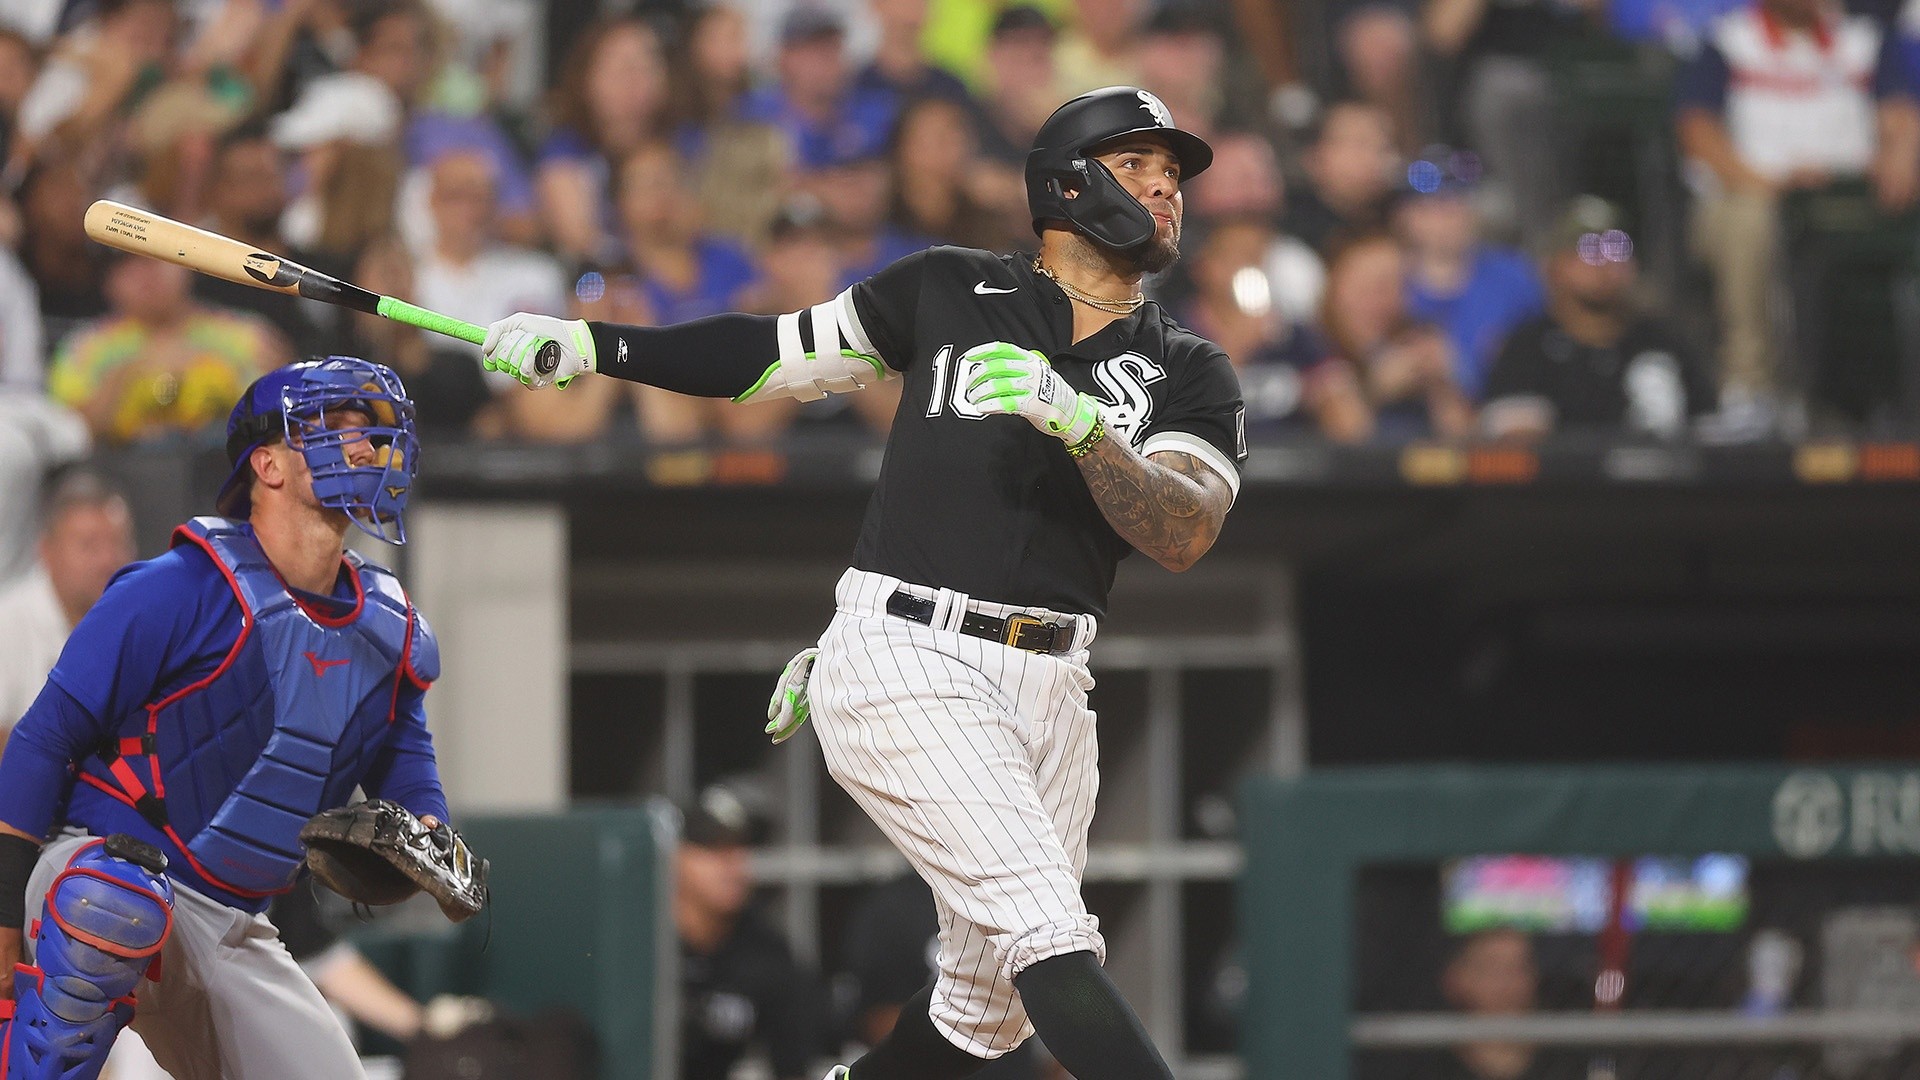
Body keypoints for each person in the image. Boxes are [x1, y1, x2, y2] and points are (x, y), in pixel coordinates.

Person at [481, 84, 1243, 1080]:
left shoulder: (1191, 367)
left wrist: (1085, 427)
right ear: (1065, 184)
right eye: (1136, 166)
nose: (1164, 190)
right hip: (908, 651)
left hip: (1057, 683)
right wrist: (597, 346)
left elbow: (1184, 530)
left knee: (987, 1014)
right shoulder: (950, 286)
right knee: (1052, 938)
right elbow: (774, 359)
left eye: (1173, 175)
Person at [0, 356, 455, 1080]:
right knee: (110, 904)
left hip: (233, 920)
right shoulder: (175, 586)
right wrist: (0, 923)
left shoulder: (392, 629)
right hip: (96, 866)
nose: (365, 447)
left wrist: (431, 828)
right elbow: (40, 743)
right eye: (335, 429)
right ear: (267, 465)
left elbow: (407, 763)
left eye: (370, 432)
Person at [1675, 0, 1920, 435]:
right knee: (1749, 224)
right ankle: (1749, 388)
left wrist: (1902, 149)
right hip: (1750, 194)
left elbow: (1899, 116)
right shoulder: (1729, 41)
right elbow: (1698, 133)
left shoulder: (1862, 40)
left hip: (1849, 200)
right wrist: (1775, 186)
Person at [1482, 197, 1716, 440]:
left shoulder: (1661, 342)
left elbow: (1709, 430)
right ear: (1555, 266)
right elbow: (1519, 451)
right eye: (1589, 249)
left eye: (1617, 247)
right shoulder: (1529, 348)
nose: (1604, 261)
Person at [676, 786, 823, 1080]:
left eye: (740, 847)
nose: (732, 863)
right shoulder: (636, 942)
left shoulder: (767, 952)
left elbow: (795, 1063)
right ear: (674, 855)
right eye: (714, 847)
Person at [0, 471, 134, 744]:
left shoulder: (142, 619)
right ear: (46, 551)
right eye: (89, 546)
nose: (107, 560)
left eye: (117, 543)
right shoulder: (9, 623)